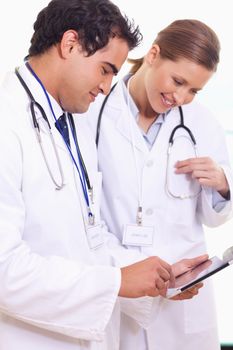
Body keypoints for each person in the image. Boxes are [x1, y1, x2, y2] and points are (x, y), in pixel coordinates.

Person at [0, 2, 207, 350]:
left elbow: (89, 236)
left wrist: (157, 277)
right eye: (105, 69)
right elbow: (4, 270)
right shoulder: (7, 122)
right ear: (69, 44)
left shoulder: (73, 122)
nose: (108, 86)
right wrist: (115, 281)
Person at [85, 19, 233, 350]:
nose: (180, 97)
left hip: (184, 302)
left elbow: (215, 217)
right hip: (121, 291)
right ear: (153, 55)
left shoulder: (202, 122)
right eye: (178, 81)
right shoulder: (93, 112)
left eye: (193, 90)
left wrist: (225, 184)